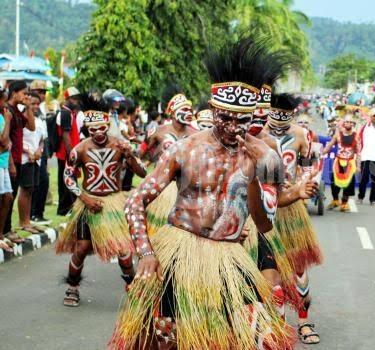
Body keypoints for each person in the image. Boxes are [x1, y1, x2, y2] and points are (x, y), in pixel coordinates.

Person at [110, 37, 295, 350]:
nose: (233, 127)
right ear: (212, 110)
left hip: (230, 259)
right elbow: (136, 202)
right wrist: (146, 253)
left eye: (242, 120)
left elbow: (263, 225)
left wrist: (251, 176)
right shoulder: (185, 150)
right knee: (165, 338)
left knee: (251, 338)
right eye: (226, 118)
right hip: (181, 254)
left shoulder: (262, 154)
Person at [55, 92, 147, 307]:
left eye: (101, 128)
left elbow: (142, 172)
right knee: (82, 248)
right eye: (92, 129)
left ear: (107, 125)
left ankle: (132, 286)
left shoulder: (120, 145)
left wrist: (130, 155)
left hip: (113, 203)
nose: (97, 133)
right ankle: (72, 287)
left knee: (124, 253)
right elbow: (67, 176)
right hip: (89, 204)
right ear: (87, 128)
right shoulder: (80, 149)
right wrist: (83, 197)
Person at [265, 93, 323, 345]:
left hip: (292, 209)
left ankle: (303, 321)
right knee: (269, 269)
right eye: (275, 115)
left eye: (285, 117)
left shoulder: (301, 135)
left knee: (298, 266)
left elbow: (309, 165)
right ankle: (275, 324)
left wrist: (304, 183)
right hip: (264, 208)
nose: (279, 122)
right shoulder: (255, 133)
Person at [141, 88, 197, 235]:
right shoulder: (158, 132)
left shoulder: (196, 135)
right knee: (156, 233)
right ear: (172, 112)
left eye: (190, 110)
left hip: (186, 192)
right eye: (185, 109)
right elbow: (142, 154)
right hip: (161, 190)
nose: (189, 113)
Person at [4, 81, 35, 243]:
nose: (26, 96)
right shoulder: (6, 110)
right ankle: (6, 230)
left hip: (18, 160)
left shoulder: (16, 111)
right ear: (14, 92)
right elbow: (6, 139)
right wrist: (10, 163)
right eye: (24, 93)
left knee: (12, 194)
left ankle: (7, 229)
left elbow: (31, 127)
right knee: (7, 196)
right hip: (9, 160)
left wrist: (29, 107)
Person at [18, 92, 45, 234]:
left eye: (37, 103)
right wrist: (29, 152)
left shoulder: (40, 121)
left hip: (36, 159)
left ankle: (27, 221)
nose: (35, 106)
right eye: (32, 103)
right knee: (25, 189)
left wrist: (40, 150)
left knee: (31, 189)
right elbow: (17, 138)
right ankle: (23, 222)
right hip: (25, 159)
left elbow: (42, 140)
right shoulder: (22, 118)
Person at [323, 114, 358, 212]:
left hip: (350, 163)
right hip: (338, 161)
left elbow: (358, 152)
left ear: (353, 124)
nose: (348, 123)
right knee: (334, 183)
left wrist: (358, 165)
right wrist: (321, 153)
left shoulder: (356, 136)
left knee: (349, 184)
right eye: (347, 121)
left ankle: (344, 203)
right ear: (343, 123)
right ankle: (335, 200)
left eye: (351, 122)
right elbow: (329, 146)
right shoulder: (337, 135)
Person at [56, 87, 81, 216]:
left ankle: (66, 209)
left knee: (68, 181)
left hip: (68, 153)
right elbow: (66, 136)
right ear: (68, 99)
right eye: (74, 98)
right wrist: (71, 155)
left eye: (77, 98)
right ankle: (66, 209)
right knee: (67, 182)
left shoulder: (70, 112)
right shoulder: (66, 113)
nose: (76, 101)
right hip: (65, 154)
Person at [29, 80, 51, 225]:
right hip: (31, 152)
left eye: (44, 93)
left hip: (42, 149)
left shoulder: (41, 109)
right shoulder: (29, 109)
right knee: (36, 184)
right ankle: (34, 214)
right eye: (40, 92)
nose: (43, 95)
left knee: (43, 181)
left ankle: (38, 213)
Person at [0, 87, 14, 252]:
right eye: (3, 100)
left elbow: (7, 143)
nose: (5, 104)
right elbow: (4, 141)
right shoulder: (5, 117)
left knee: (8, 198)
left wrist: (10, 162)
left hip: (3, 162)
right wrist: (8, 120)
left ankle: (1, 234)